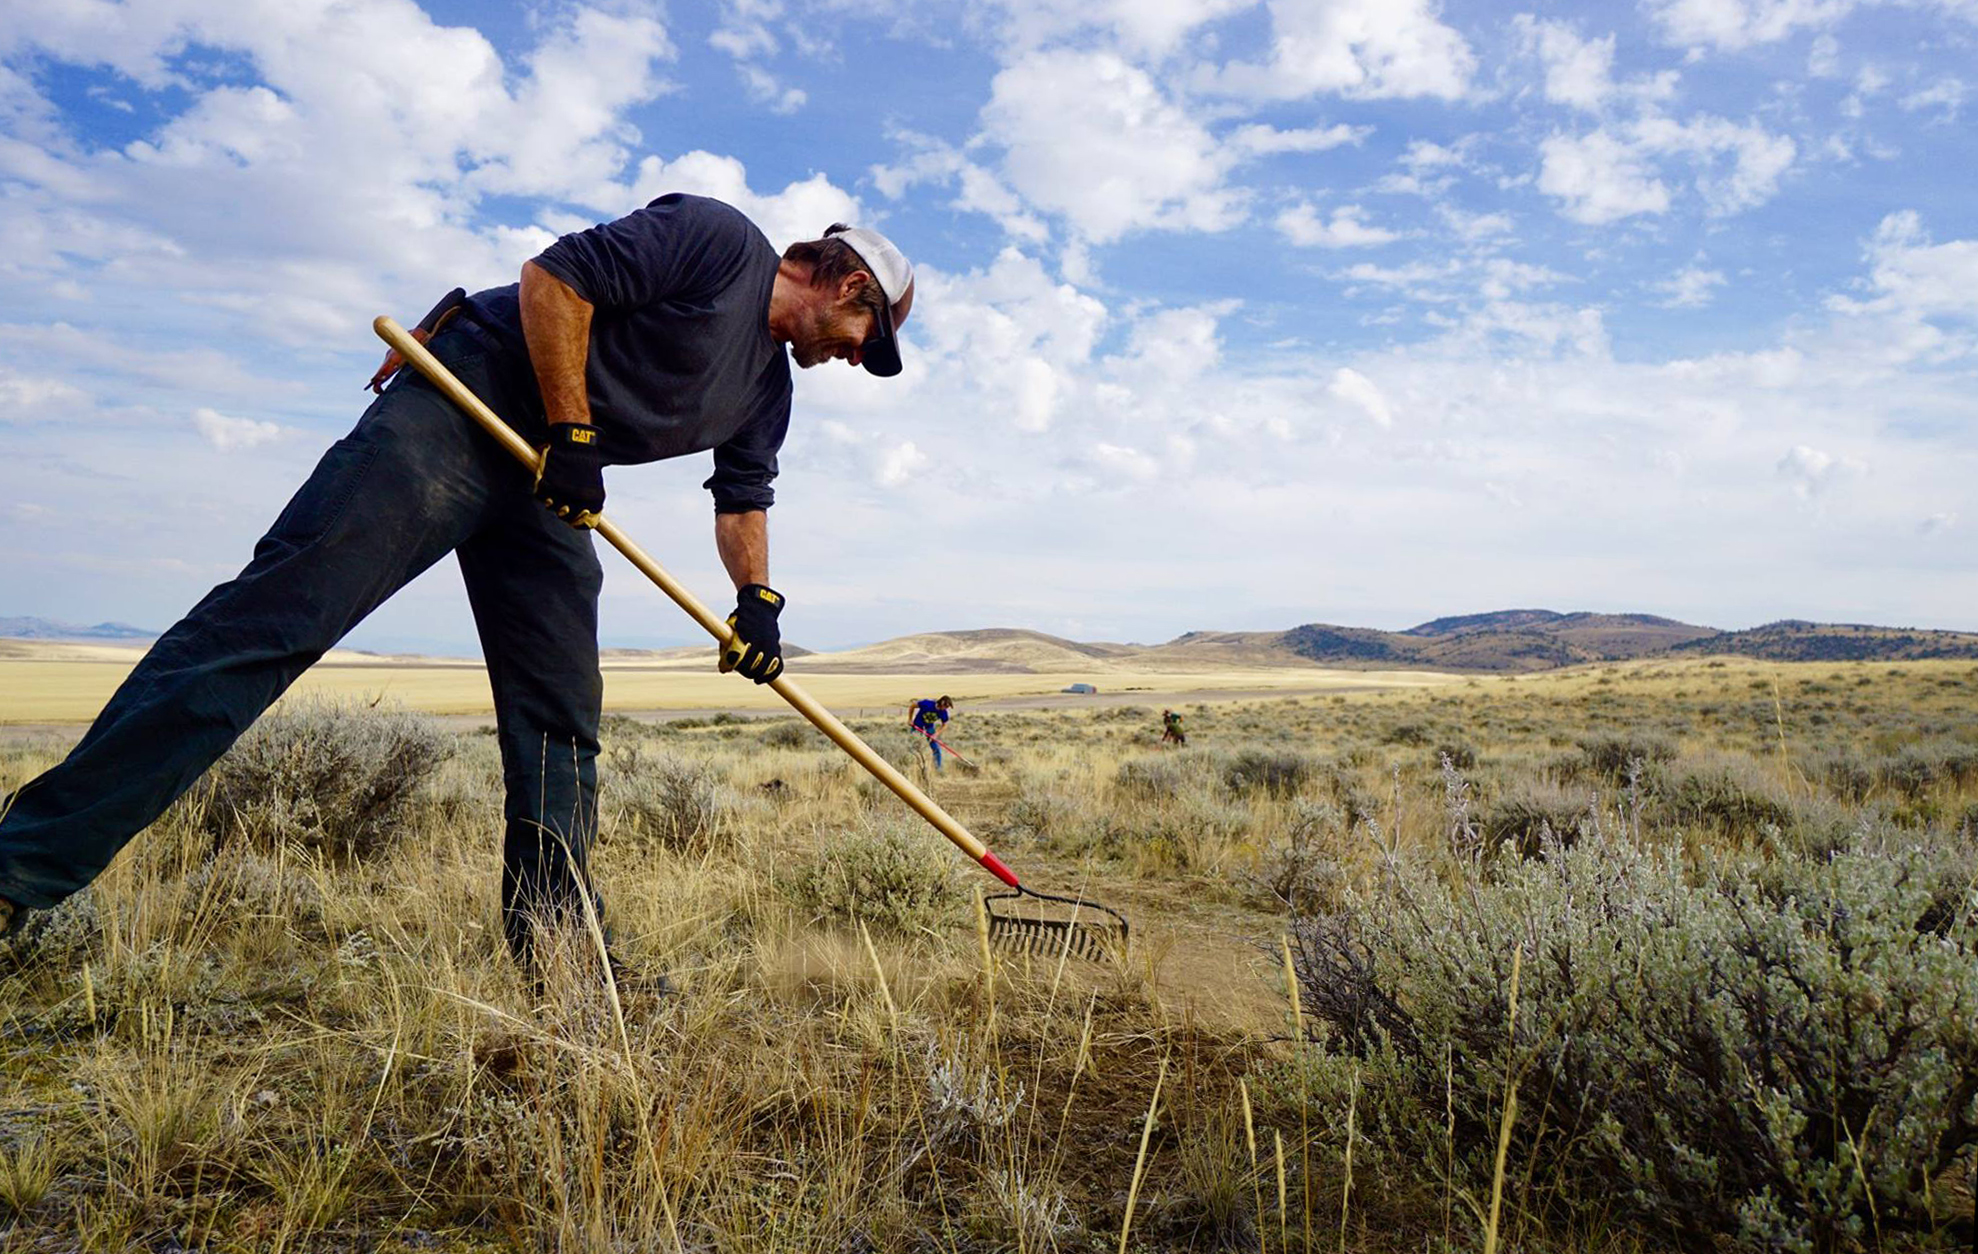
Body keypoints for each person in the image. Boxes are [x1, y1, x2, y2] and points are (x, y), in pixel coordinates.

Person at [0, 194, 917, 966]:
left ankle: (561, 956)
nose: (854, 357)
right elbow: (555, 279)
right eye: (864, 336)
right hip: (462, 404)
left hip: (547, 480)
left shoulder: (767, 390)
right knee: (276, 621)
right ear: (847, 284)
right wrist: (577, 433)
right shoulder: (720, 242)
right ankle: (19, 867)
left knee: (561, 709)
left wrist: (756, 603)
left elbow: (743, 496)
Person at [908, 695, 954, 770]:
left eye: (947, 707)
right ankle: (910, 767)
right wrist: (910, 719)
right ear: (942, 703)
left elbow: (945, 725)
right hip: (917, 727)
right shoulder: (927, 704)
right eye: (946, 706)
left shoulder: (943, 713)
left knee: (936, 749)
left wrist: (935, 734)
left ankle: (938, 769)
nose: (946, 709)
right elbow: (912, 706)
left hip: (929, 729)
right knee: (912, 748)